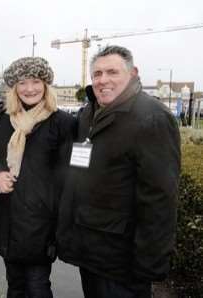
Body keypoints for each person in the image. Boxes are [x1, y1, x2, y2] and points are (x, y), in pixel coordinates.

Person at [56, 45, 181, 298]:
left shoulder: (152, 118)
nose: (103, 80)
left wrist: (149, 262)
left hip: (123, 260)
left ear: (133, 73)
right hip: (91, 249)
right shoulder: (90, 112)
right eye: (97, 74)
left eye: (112, 72)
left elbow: (160, 198)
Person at [0, 57, 76, 298]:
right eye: (22, 83)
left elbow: (71, 176)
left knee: (37, 285)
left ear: (45, 85)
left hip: (41, 223)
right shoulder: (5, 121)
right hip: (8, 219)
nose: (29, 88)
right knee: (15, 284)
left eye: (35, 81)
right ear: (14, 88)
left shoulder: (63, 123)